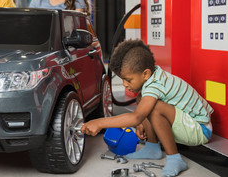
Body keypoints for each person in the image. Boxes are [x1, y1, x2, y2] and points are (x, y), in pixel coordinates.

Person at [81, 39, 214, 177]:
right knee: (142, 99)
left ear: (145, 74)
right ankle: (152, 148)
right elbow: (140, 116)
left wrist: (99, 122)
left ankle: (175, 158)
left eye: (128, 80)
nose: (125, 84)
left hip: (200, 130)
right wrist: (141, 123)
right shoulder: (153, 78)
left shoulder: (155, 85)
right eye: (122, 80)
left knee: (155, 107)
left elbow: (136, 117)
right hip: (188, 124)